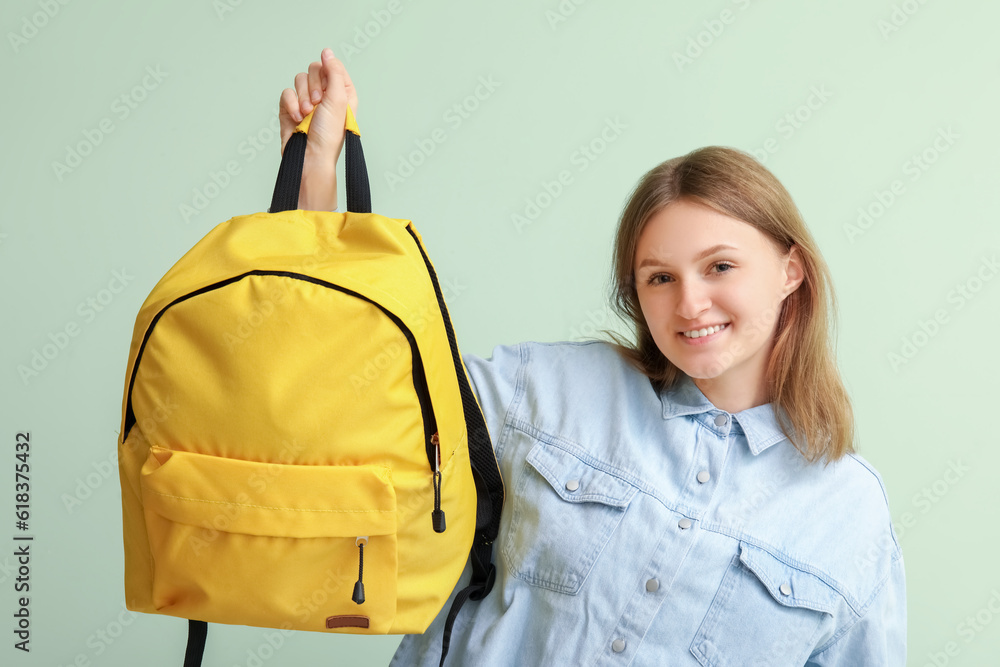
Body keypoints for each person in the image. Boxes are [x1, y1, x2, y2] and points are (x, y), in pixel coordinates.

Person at [279, 49, 907, 666]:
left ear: (790, 271)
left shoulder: (850, 513)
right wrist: (316, 183)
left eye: (720, 266)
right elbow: (356, 400)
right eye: (659, 278)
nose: (690, 304)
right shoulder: (543, 391)